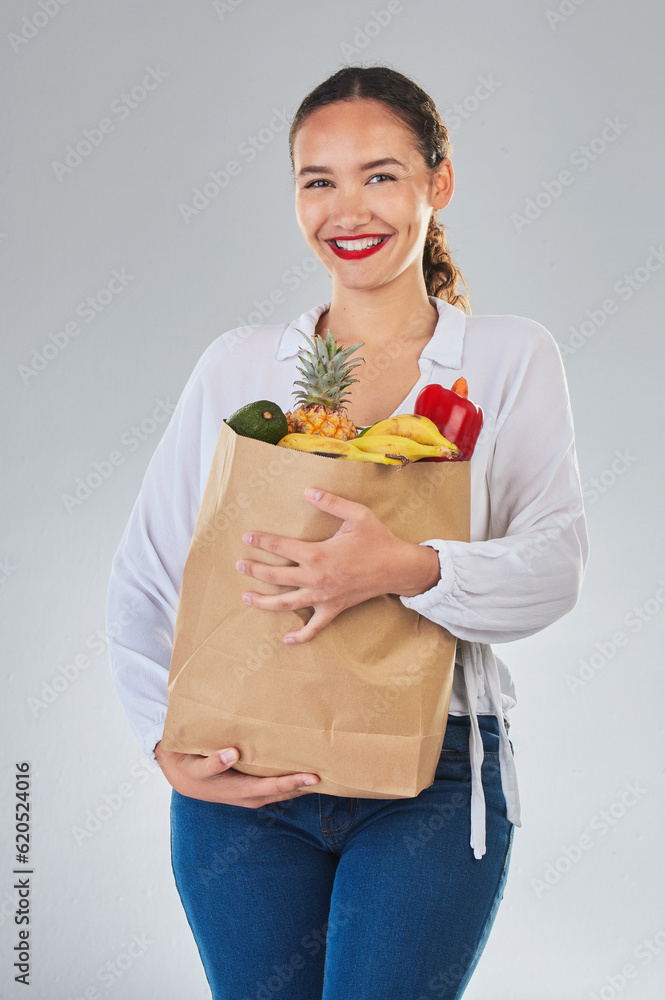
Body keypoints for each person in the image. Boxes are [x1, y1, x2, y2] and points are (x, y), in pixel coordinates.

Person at [106, 64, 588, 999]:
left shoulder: (506, 357)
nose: (347, 208)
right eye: (317, 180)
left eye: (380, 174)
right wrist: (159, 744)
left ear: (437, 185)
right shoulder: (240, 365)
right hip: (243, 771)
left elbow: (554, 568)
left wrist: (401, 566)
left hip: (435, 780)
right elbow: (151, 571)